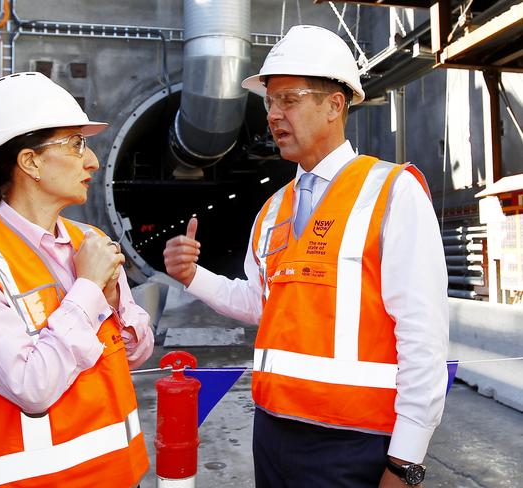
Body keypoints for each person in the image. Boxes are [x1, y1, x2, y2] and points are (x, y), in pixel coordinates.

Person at [164, 25, 448, 487]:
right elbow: (262, 304)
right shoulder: (274, 209)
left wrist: (405, 461)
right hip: (272, 435)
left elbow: (423, 337)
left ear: (335, 105)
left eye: (289, 99)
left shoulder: (391, 193)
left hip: (354, 444)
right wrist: (194, 275)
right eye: (269, 101)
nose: (273, 115)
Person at [0, 71, 153, 488]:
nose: (93, 161)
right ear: (29, 161)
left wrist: (114, 298)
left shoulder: (93, 242)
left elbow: (136, 353)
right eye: (76, 144)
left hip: (122, 476)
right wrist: (86, 292)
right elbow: (32, 387)